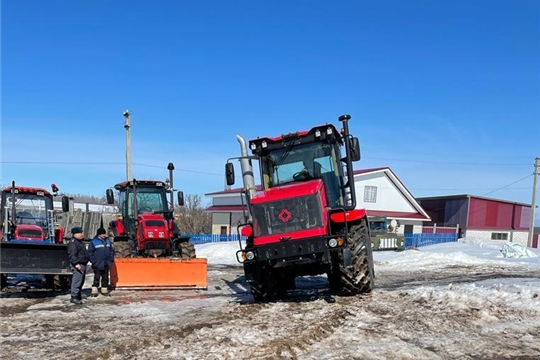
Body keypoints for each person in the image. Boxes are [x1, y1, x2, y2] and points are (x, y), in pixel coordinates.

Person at [88, 227, 115, 297]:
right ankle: (94, 290)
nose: (104, 235)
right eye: (102, 234)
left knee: (105, 277)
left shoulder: (107, 241)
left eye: (104, 234)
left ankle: (104, 289)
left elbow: (111, 251)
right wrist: (93, 261)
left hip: (106, 263)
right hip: (97, 263)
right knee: (97, 277)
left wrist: (110, 259)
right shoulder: (93, 242)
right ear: (98, 235)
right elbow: (90, 253)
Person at [67, 226, 89, 304]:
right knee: (77, 280)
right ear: (75, 234)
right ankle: (74, 297)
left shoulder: (80, 242)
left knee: (81, 281)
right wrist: (76, 263)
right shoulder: (73, 243)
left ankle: (78, 294)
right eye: (80, 233)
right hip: (78, 264)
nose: (82, 234)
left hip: (82, 263)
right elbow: (72, 255)